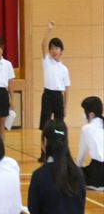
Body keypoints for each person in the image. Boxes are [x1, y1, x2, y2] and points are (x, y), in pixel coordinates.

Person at [28, 120, 88, 214]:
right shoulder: (78, 173)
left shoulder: (39, 176)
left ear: (44, 142)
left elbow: (34, 213)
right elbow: (80, 211)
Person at [38, 22, 70, 161]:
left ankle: (60, 152)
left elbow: (67, 89)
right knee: (45, 126)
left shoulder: (64, 69)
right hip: (47, 95)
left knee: (59, 127)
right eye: (52, 48)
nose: (54, 50)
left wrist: (65, 107)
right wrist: (49, 30)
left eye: (56, 48)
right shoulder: (47, 62)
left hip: (58, 97)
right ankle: (43, 153)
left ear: (61, 51)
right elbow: (43, 43)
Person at [77, 96, 104, 190]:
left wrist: (76, 171)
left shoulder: (87, 128)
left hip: (99, 173)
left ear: (91, 114)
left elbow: (81, 156)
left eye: (84, 111)